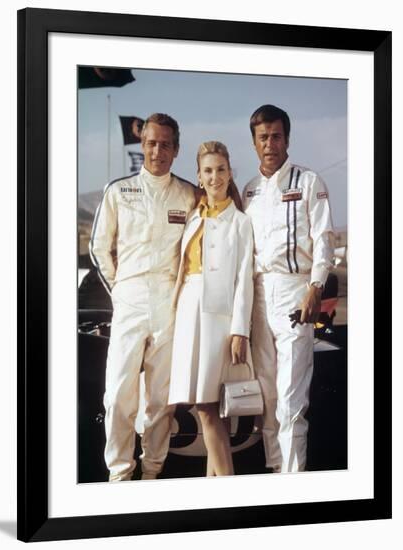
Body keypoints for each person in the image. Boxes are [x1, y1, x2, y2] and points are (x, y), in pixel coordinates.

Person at [90, 113, 196, 481]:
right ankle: (119, 474)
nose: (158, 151)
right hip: (129, 296)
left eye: (166, 144)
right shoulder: (118, 191)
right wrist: (118, 290)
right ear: (142, 145)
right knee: (118, 393)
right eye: (151, 143)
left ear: (176, 149)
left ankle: (152, 473)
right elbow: (99, 248)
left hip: (169, 301)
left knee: (159, 399)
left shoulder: (189, 194)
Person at [242, 104, 335, 473]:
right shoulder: (248, 191)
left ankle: (294, 483)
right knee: (267, 394)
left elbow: (324, 239)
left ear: (287, 139)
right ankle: (274, 473)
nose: (270, 144)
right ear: (254, 142)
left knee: (291, 399)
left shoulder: (309, 182)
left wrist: (316, 287)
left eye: (276, 136)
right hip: (259, 296)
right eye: (263, 137)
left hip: (296, 293)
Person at [168, 141, 254, 476]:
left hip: (220, 320)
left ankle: (230, 493)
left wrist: (239, 330)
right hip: (189, 313)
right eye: (208, 171)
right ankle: (212, 492)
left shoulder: (240, 223)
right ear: (199, 177)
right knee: (208, 409)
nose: (215, 176)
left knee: (208, 407)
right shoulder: (193, 218)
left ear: (230, 172)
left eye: (220, 169)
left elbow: (244, 280)